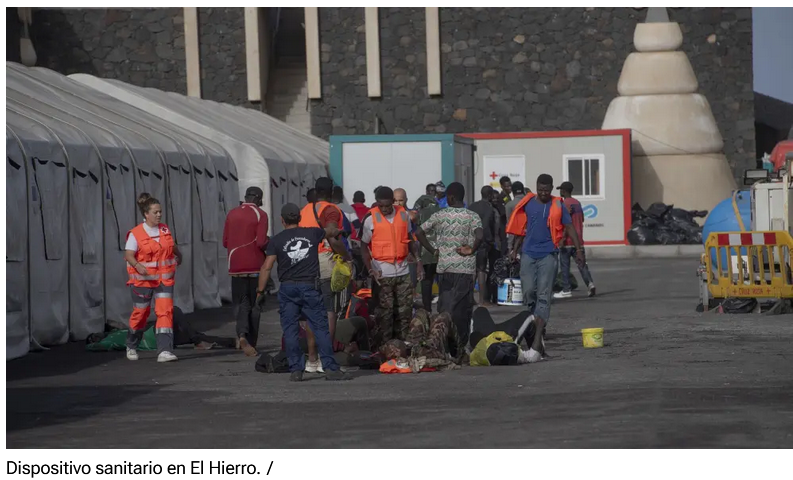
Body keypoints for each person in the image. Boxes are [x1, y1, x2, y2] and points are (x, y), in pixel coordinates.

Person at [255, 203, 351, 382]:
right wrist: (340, 232)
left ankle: (296, 370)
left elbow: (266, 267)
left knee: (290, 329)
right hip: (310, 287)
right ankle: (330, 368)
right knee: (320, 327)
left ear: (282, 220)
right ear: (299, 218)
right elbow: (330, 232)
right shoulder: (312, 233)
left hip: (288, 288)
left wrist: (260, 292)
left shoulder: (277, 240)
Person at [506, 174, 584, 336]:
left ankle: (539, 327)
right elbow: (521, 229)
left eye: (546, 190)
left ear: (551, 188)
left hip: (548, 254)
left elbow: (569, 227)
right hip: (528, 253)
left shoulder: (558, 205)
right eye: (540, 190)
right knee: (528, 292)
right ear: (536, 187)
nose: (543, 193)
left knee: (544, 293)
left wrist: (579, 250)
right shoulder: (528, 204)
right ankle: (532, 321)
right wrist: (514, 249)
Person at [415, 182, 482, 347]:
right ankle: (460, 346)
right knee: (463, 309)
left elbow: (418, 232)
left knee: (445, 307)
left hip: (445, 269)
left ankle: (443, 343)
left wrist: (433, 250)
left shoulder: (440, 215)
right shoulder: (472, 216)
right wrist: (471, 249)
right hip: (465, 270)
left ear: (450, 197)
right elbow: (480, 235)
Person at [298, 177, 352, 373]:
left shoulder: (304, 210)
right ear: (331, 192)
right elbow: (334, 239)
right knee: (329, 310)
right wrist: (346, 257)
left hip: (303, 263)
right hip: (324, 261)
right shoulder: (331, 210)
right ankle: (326, 358)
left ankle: (312, 359)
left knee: (311, 312)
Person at [124, 193, 183, 363]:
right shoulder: (136, 234)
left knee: (165, 312)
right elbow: (129, 254)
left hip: (164, 281)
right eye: (155, 212)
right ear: (146, 214)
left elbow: (170, 245)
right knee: (141, 313)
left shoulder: (164, 229)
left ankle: (164, 350)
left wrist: (179, 255)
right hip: (142, 281)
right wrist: (138, 265)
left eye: (160, 212)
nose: (159, 215)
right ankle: (131, 344)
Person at [360, 186, 420, 344]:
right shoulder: (370, 219)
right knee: (385, 315)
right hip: (382, 272)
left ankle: (403, 346)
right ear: (377, 203)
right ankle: (384, 348)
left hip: (402, 270)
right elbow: (363, 246)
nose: (385, 209)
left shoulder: (403, 215)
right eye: (381, 205)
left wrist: (418, 262)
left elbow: (410, 239)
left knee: (404, 312)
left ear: (393, 202)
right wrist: (370, 269)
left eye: (387, 205)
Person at [222, 186, 269, 357]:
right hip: (255, 266)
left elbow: (225, 241)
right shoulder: (261, 215)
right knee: (255, 305)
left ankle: (241, 336)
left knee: (241, 303)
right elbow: (261, 242)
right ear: (258, 198)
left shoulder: (232, 213)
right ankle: (252, 341)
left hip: (235, 267)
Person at [554, 181, 596, 299]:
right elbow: (581, 219)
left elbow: (567, 224)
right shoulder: (577, 203)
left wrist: (562, 238)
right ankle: (590, 284)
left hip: (567, 240)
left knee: (565, 266)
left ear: (564, 191)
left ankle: (566, 289)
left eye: (561, 189)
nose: (560, 191)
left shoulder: (564, 204)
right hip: (578, 240)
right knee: (582, 264)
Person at [468, 185, 498, 307]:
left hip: (470, 241)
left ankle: (470, 298)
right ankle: (482, 300)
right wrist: (490, 241)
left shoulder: (472, 206)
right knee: (481, 270)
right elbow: (486, 227)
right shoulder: (489, 208)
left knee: (472, 270)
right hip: (482, 242)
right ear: (490, 195)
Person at [413, 193, 440, 312]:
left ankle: (427, 310)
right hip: (441, 252)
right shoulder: (442, 212)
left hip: (426, 252)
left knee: (426, 282)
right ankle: (443, 309)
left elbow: (417, 231)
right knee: (443, 282)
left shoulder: (420, 214)